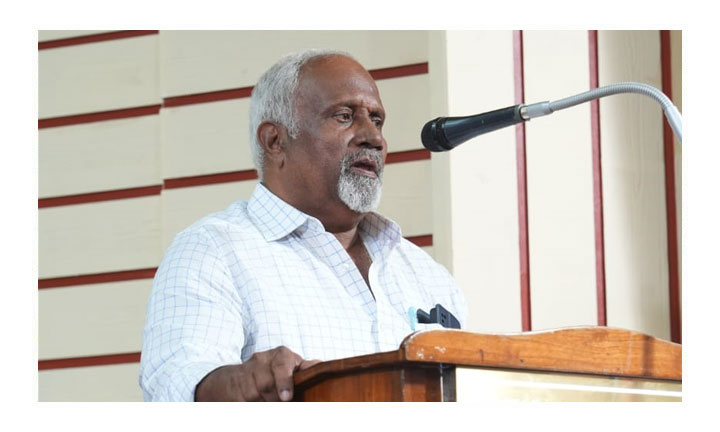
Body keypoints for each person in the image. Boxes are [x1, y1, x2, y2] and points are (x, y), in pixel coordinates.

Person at [139, 49, 468, 402]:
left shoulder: (426, 275)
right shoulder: (213, 251)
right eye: (345, 116)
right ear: (275, 141)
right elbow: (175, 383)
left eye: (377, 120)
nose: (373, 138)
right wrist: (243, 382)